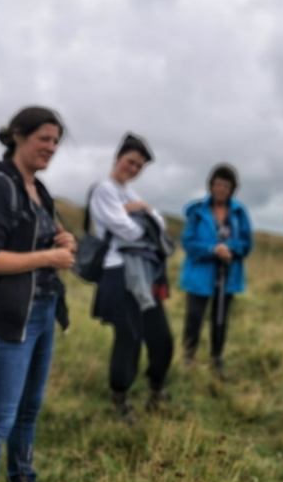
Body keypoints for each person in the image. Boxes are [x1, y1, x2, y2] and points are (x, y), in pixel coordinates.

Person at [0, 106, 76, 482]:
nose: (51, 147)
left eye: (56, 141)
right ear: (17, 135)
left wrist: (62, 239)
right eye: (44, 138)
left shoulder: (39, 190)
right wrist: (49, 255)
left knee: (29, 410)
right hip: (9, 318)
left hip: (44, 310)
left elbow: (39, 241)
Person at [89, 132, 174, 422]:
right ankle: (120, 399)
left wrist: (138, 211)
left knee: (161, 337)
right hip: (117, 272)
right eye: (131, 162)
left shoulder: (131, 194)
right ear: (118, 158)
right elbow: (129, 230)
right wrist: (140, 216)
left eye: (139, 166)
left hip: (144, 273)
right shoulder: (104, 189)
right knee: (129, 338)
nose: (134, 169)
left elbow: (158, 226)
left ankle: (156, 389)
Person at [179, 163, 253, 376]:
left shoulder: (239, 213)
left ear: (232, 188)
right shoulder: (197, 211)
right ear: (210, 186)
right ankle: (188, 358)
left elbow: (246, 244)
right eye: (217, 184)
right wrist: (212, 249)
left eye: (226, 185)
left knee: (220, 318)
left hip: (227, 277)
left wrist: (230, 249)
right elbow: (188, 243)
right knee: (194, 317)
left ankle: (216, 360)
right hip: (199, 276)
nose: (221, 189)